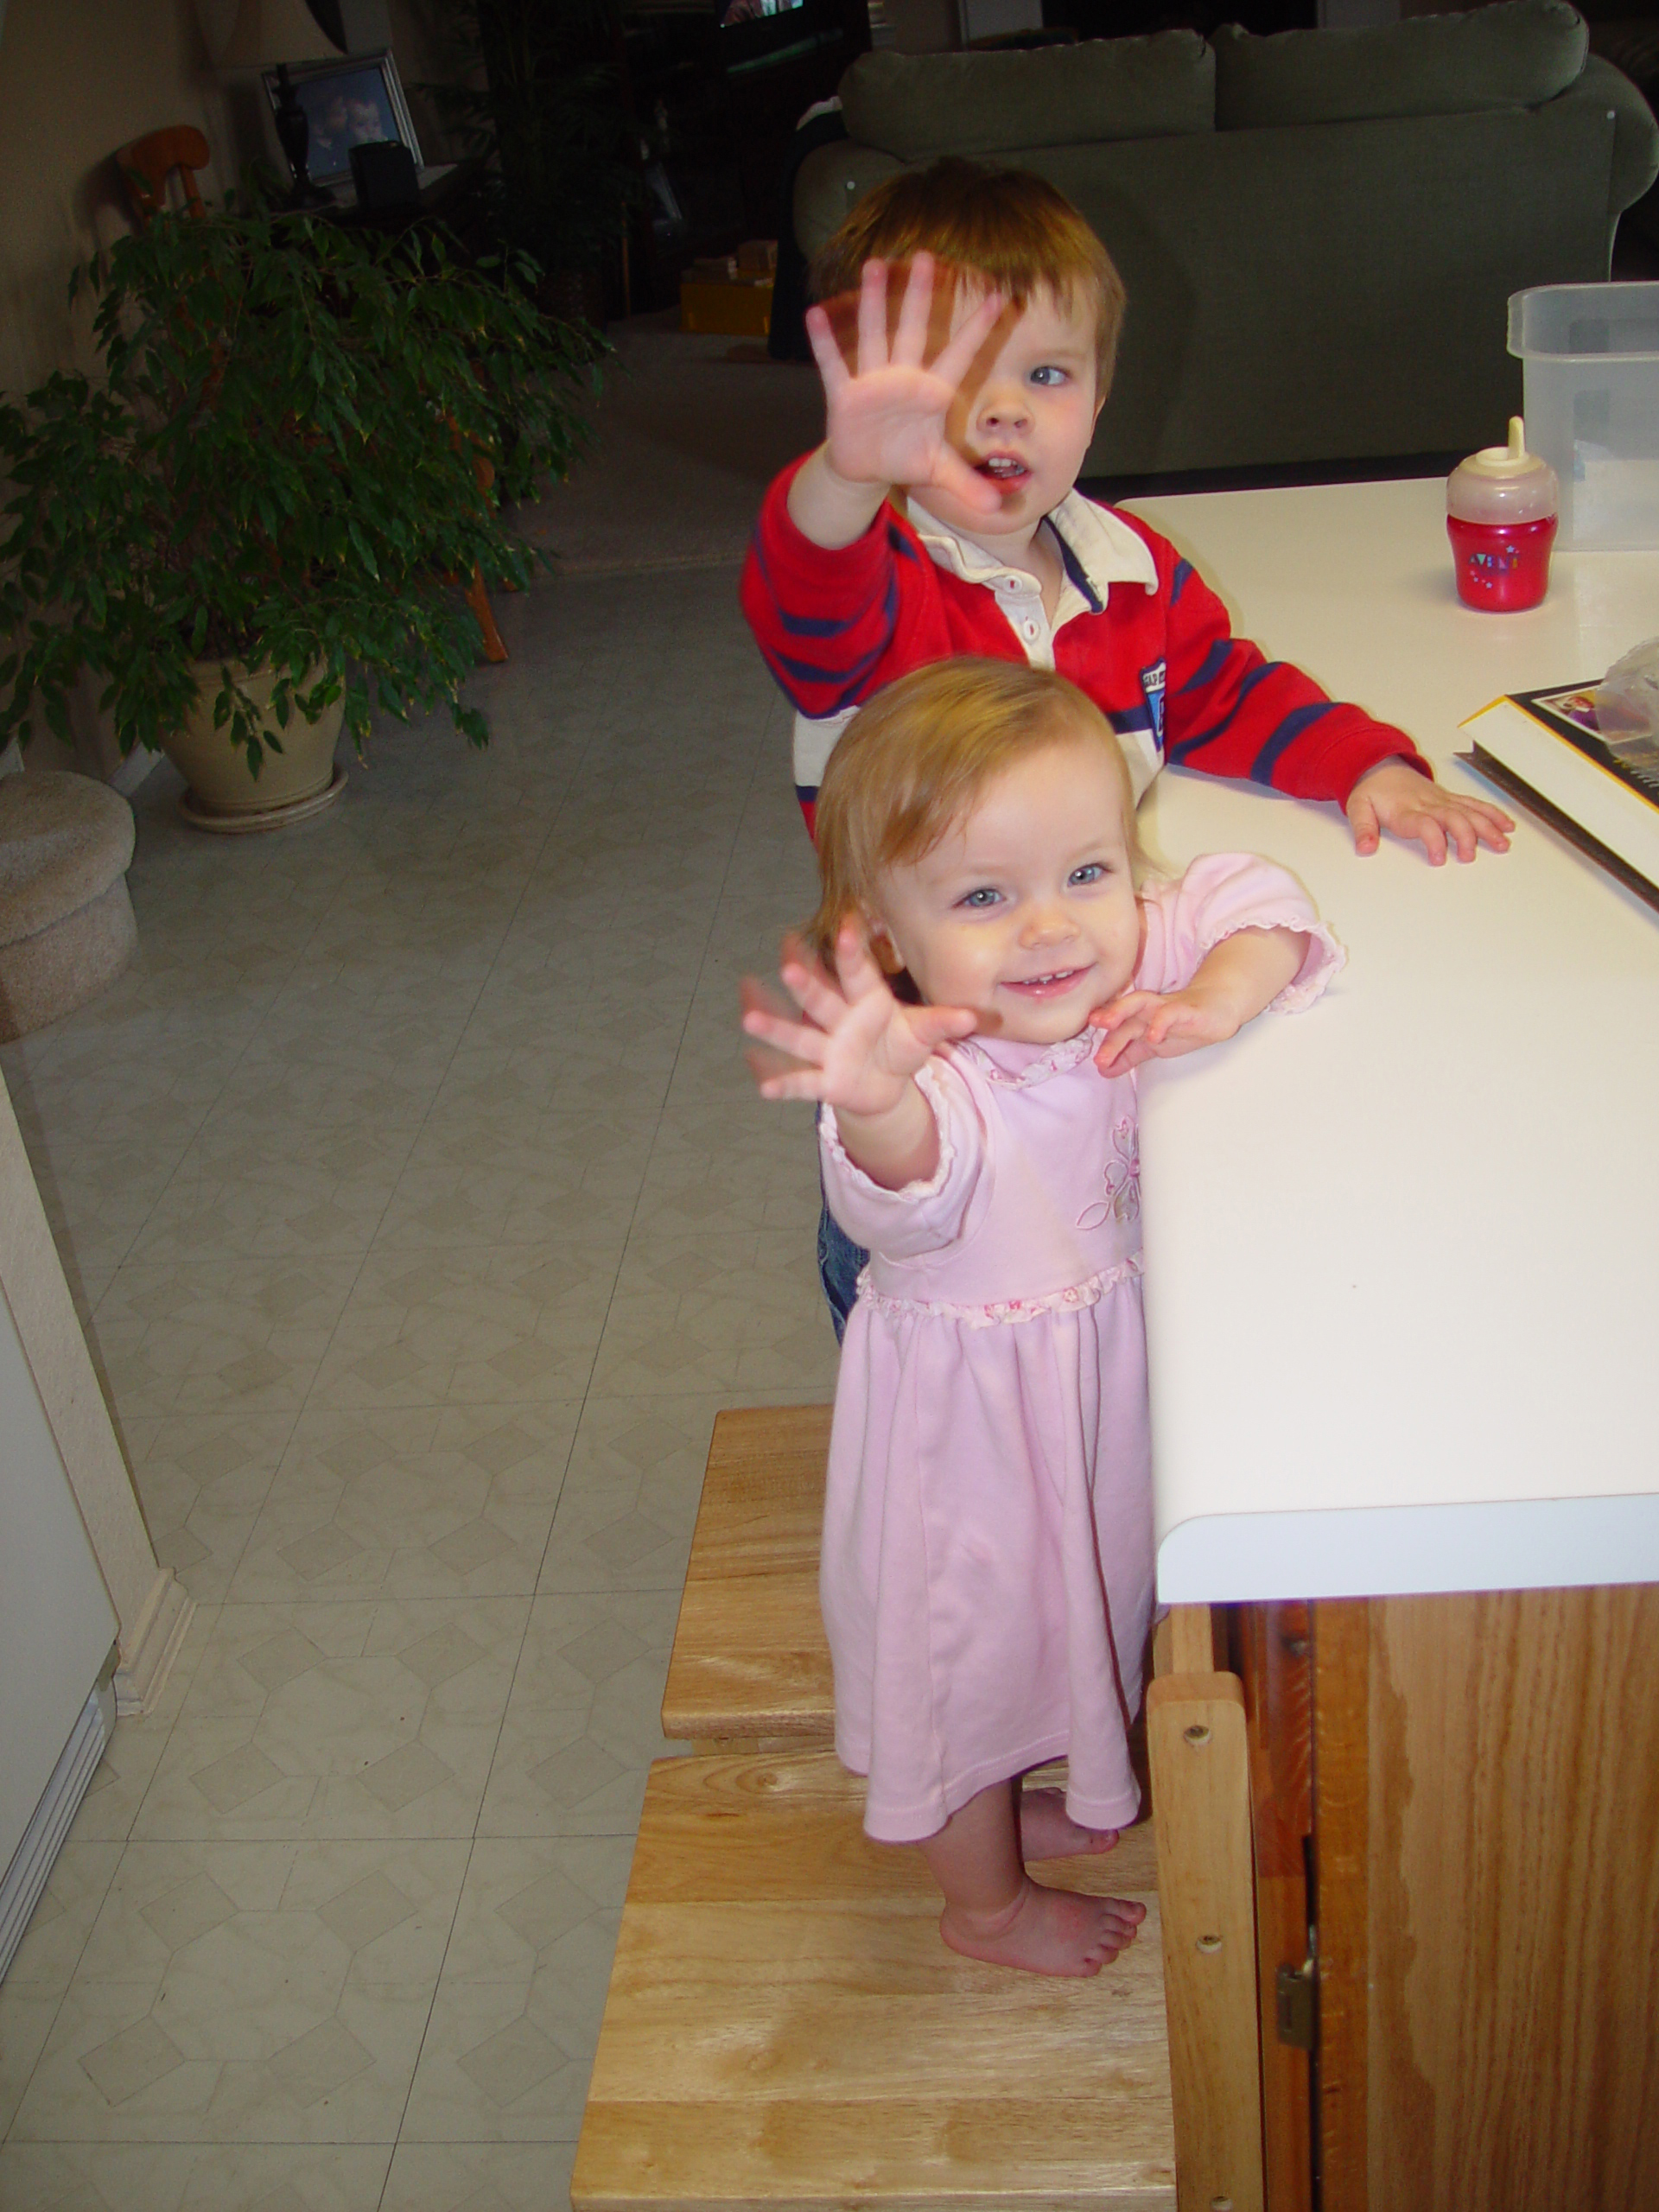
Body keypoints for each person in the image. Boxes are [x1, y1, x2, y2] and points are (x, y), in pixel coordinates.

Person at [740, 157, 1511, 1329]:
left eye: (1045, 374)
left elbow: (1216, 689)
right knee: (929, 1267)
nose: (1003, 411)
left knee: (1107, 1242)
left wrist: (1363, 763)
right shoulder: (878, 592)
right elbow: (804, 589)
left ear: (1099, 399)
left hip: (1076, 995)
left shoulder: (1126, 565)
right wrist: (847, 476)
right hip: (931, 1044)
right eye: (950, 386)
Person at [740, 658, 1344, 1976]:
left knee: (1082, 1618)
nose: (1053, 929)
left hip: (1087, 1402)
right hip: (966, 1450)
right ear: (887, 942)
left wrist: (1215, 994)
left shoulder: (1108, 953)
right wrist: (871, 1100)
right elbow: (906, 1194)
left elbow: (1255, 896)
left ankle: (1038, 1792)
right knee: (963, 1673)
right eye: (982, 898)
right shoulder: (941, 1072)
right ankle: (985, 1906)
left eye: (1088, 870)